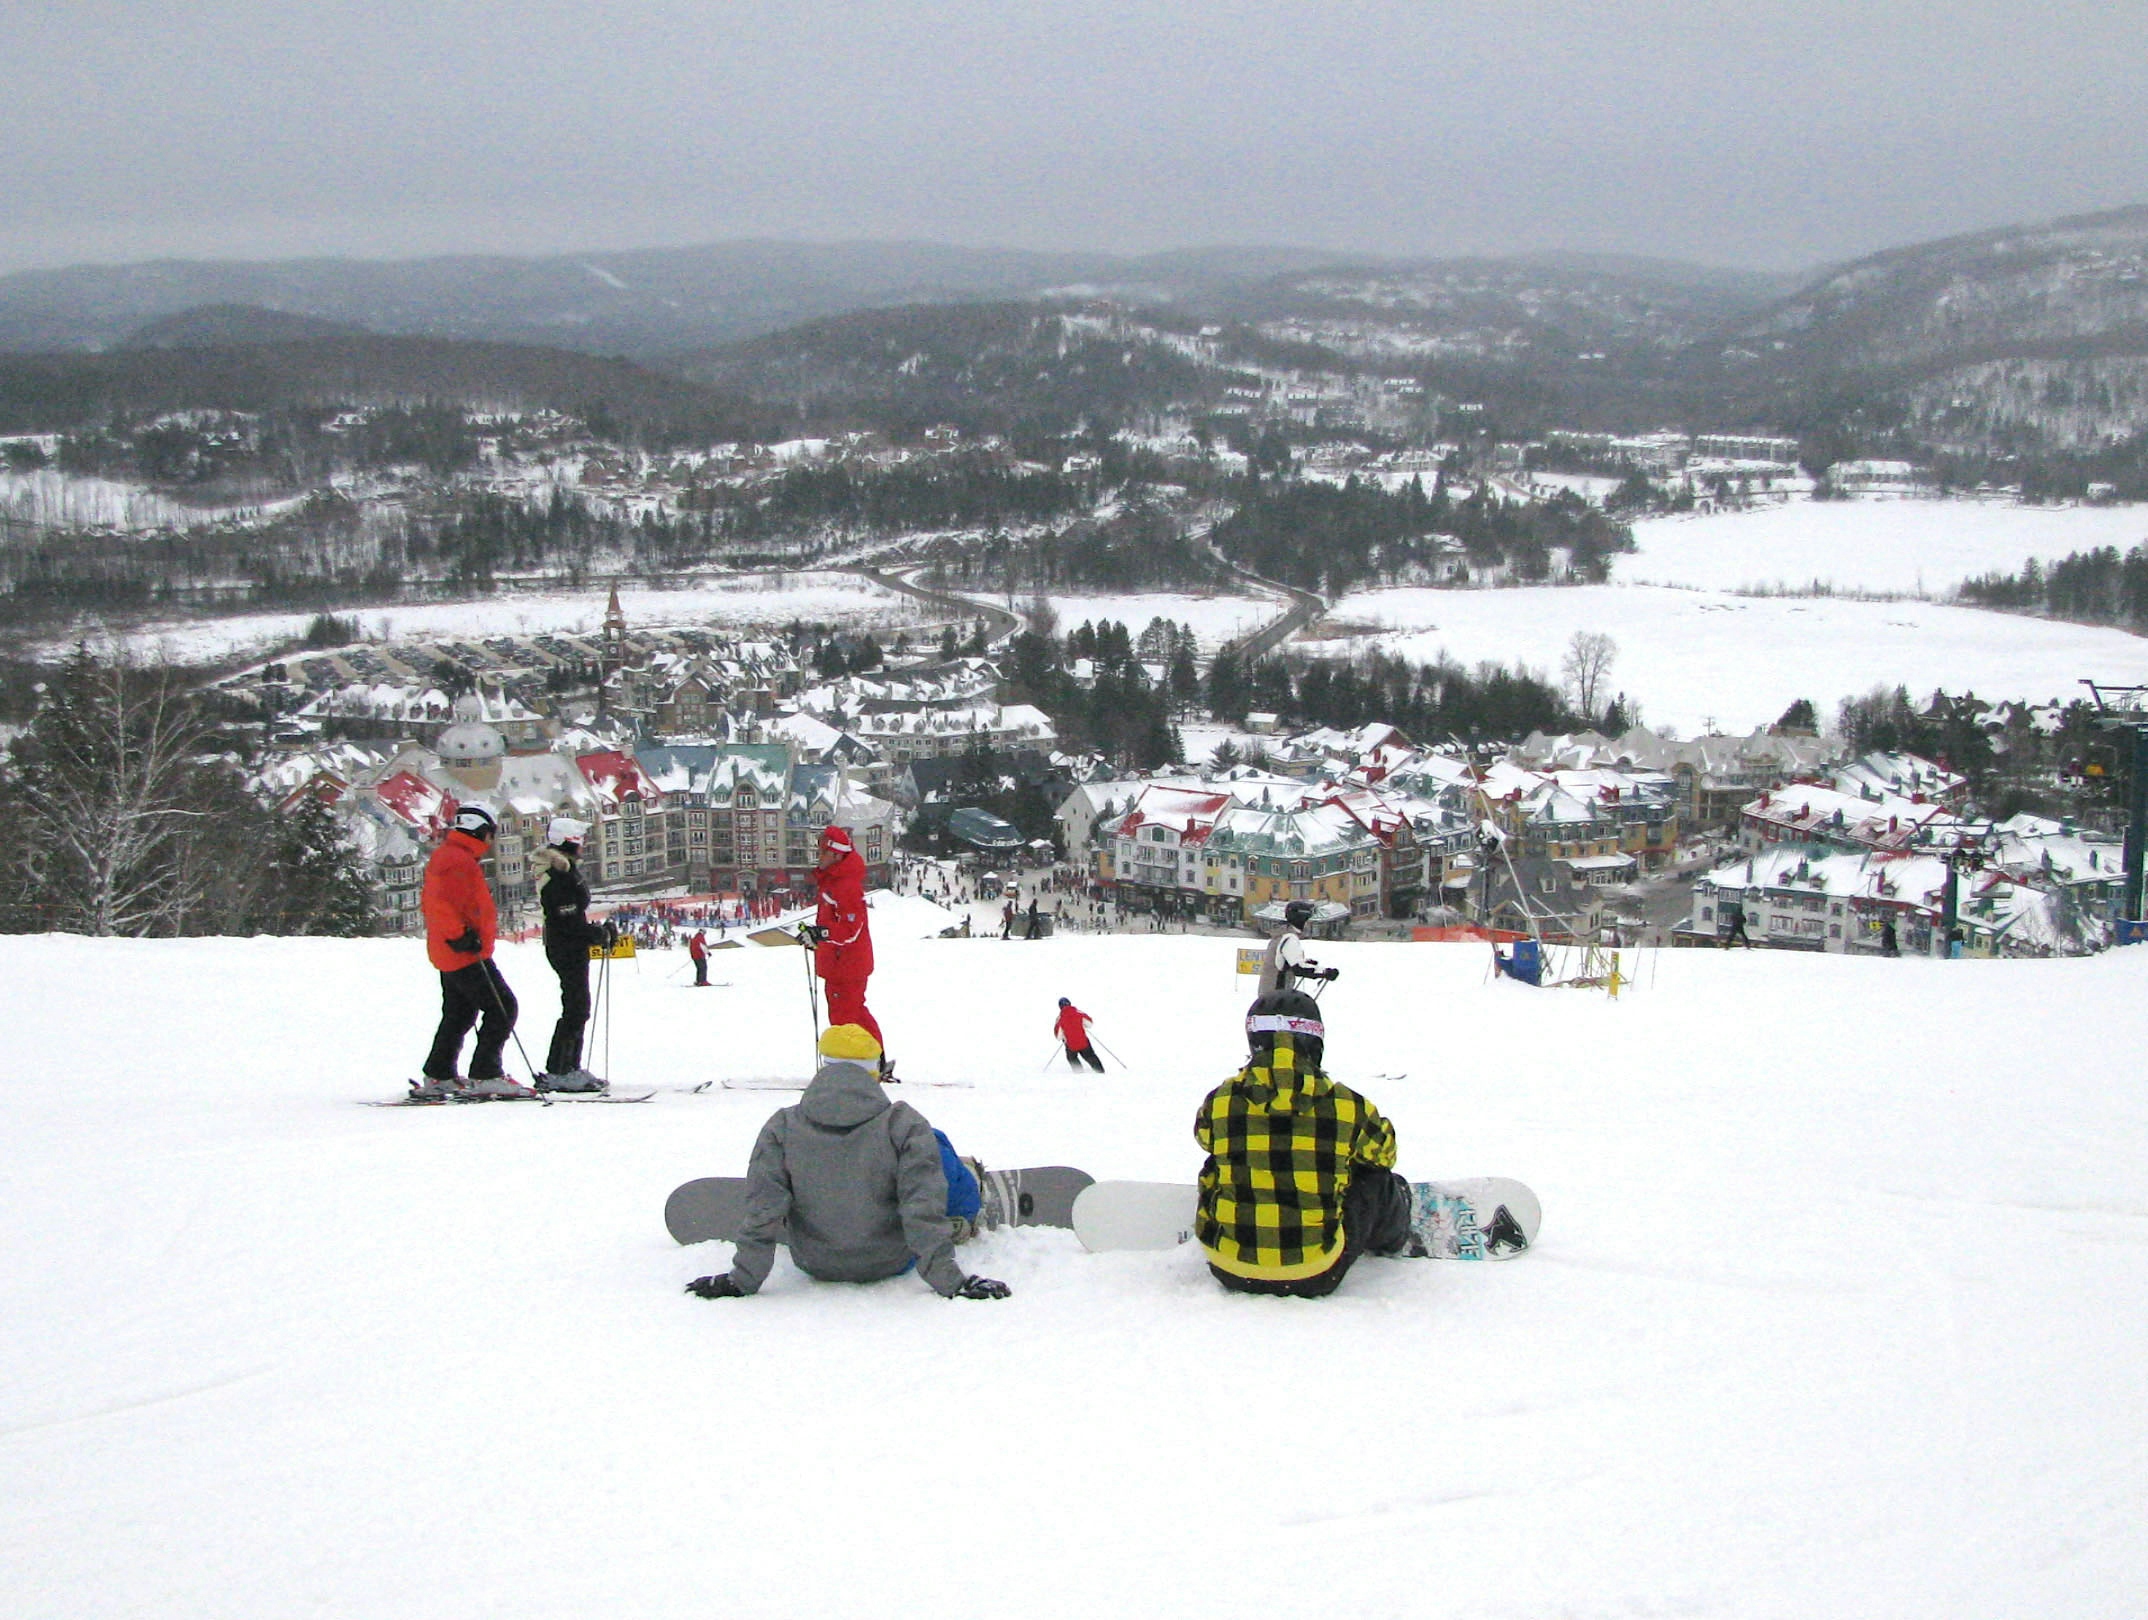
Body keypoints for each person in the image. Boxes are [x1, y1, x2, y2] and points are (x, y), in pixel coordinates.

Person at [684, 1024, 1010, 1302]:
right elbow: (920, 1209)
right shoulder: (904, 1124)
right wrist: (952, 1282)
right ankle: (965, 1206)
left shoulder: (782, 1126)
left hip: (815, 1261)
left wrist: (741, 1280)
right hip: (891, 1260)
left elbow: (763, 1207)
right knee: (936, 1145)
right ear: (875, 1073)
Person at [1193, 989, 1414, 1298]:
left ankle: (1235, 1220)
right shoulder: (1347, 1105)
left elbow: (1204, 1138)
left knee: (1219, 1157)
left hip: (1229, 1270)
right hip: (1317, 1273)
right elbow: (1385, 1155)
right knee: (1377, 1180)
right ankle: (1392, 1237)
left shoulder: (1220, 1100)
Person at [414, 804, 529, 1100]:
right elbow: (437, 903)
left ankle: (439, 1073)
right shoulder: (457, 860)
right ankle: (486, 1073)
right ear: (479, 832)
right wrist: (460, 936)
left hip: (453, 950)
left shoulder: (454, 856)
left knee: (459, 1013)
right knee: (503, 1007)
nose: (491, 841)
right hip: (462, 952)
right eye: (489, 834)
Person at [533, 816, 611, 1091]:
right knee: (576, 1008)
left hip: (568, 945)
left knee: (578, 1007)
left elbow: (571, 918)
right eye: (580, 840)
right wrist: (594, 934)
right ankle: (560, 1069)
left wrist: (592, 932)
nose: (584, 845)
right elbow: (566, 920)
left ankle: (569, 1066)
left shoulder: (563, 872)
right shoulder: (559, 877)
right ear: (570, 841)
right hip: (566, 947)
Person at [808, 823, 884, 1065]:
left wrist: (821, 933)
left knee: (846, 1019)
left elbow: (851, 929)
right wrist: (815, 935)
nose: (818, 856)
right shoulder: (833, 881)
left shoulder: (845, 885)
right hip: (839, 963)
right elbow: (833, 924)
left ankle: (859, 1064)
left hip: (847, 965)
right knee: (853, 1014)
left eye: (822, 852)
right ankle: (871, 1062)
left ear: (835, 854)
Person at [1257, 897, 1338, 998]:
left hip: (1268, 995)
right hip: (1277, 997)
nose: (1307, 924)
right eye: (1307, 920)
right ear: (1302, 919)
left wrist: (1305, 962)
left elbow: (1283, 962)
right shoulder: (1290, 938)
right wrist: (1325, 972)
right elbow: (1298, 968)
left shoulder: (1280, 935)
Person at [1054, 996, 1105, 1072]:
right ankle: (1100, 1072)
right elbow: (1090, 1024)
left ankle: (1079, 1073)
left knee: (1072, 1058)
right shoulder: (1079, 1013)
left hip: (1071, 1045)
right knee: (1090, 1056)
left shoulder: (1060, 1019)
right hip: (1083, 1042)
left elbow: (1058, 1037)